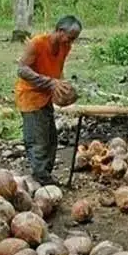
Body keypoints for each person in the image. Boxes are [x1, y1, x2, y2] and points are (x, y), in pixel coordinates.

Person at [14, 15, 82, 185]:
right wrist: (50, 83)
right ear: (60, 31)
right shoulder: (37, 44)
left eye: (73, 40)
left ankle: (45, 176)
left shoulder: (64, 47)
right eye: (69, 38)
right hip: (30, 96)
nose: (70, 43)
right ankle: (41, 179)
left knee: (51, 140)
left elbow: (57, 71)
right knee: (37, 142)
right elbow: (22, 70)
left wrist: (62, 88)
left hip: (46, 96)